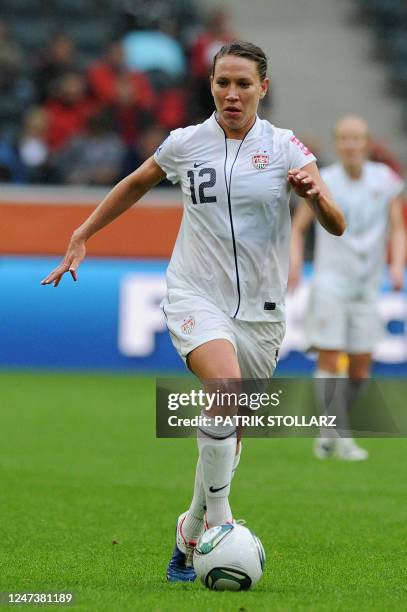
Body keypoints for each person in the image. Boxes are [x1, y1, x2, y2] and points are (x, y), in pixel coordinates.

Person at [41, 41, 345, 581]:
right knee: (224, 391)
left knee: (232, 430)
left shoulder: (284, 147)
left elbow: (336, 222)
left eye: (243, 84)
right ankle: (221, 522)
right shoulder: (185, 143)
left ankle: (191, 526)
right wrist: (82, 232)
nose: (232, 93)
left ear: (263, 89)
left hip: (262, 311)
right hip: (194, 294)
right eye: (223, 82)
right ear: (210, 85)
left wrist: (316, 197)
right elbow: (137, 183)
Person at [290, 114, 406, 461]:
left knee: (360, 371)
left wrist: (397, 264)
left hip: (367, 286)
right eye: (344, 139)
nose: (351, 145)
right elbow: (299, 228)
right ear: (338, 144)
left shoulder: (385, 179)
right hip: (330, 283)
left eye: (357, 138)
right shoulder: (325, 181)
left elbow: (398, 226)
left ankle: (329, 425)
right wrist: (295, 263)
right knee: (330, 356)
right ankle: (339, 437)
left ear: (367, 143)